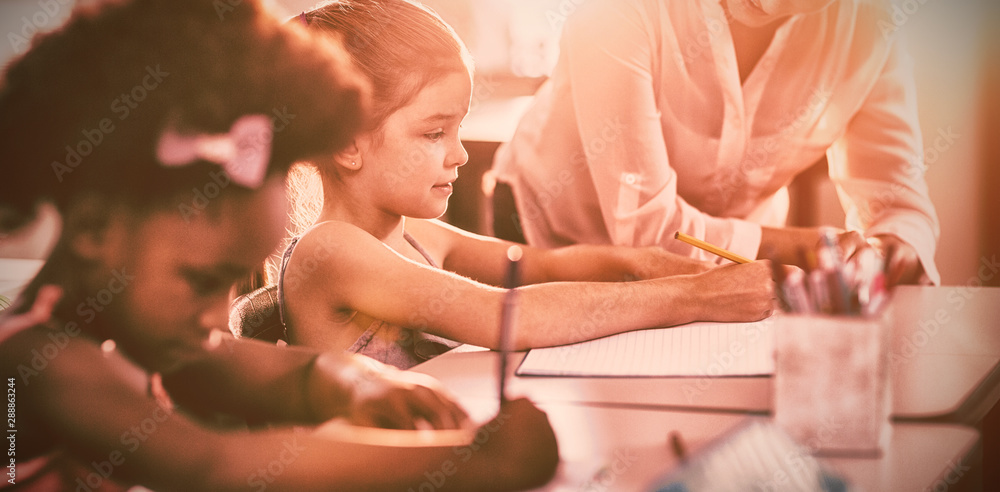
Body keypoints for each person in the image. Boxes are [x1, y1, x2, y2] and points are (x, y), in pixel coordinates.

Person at [0, 0, 557, 490]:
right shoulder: (38, 361)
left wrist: (361, 383)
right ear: (96, 231)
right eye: (200, 281)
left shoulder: (152, 338)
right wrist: (477, 466)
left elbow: (293, 374)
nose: (214, 317)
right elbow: (212, 466)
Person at [277, 0, 777, 370]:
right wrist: (695, 295)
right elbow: (504, 314)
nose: (461, 154)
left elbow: (540, 265)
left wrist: (635, 263)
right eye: (434, 133)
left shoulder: (416, 238)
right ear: (348, 143)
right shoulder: (331, 252)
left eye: (457, 129)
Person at [491, 0, 941, 287]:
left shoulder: (874, 23)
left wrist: (881, 254)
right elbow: (649, 233)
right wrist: (809, 250)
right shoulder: (617, 10)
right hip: (552, 233)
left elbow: (899, 208)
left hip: (738, 263)